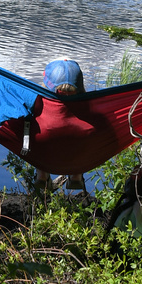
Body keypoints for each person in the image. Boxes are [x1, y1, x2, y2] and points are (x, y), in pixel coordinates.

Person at [36, 58, 86, 191]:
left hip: (44, 150)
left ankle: (42, 174)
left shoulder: (38, 104)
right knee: (87, 133)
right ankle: (76, 175)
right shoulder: (89, 108)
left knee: (34, 126)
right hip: (74, 153)